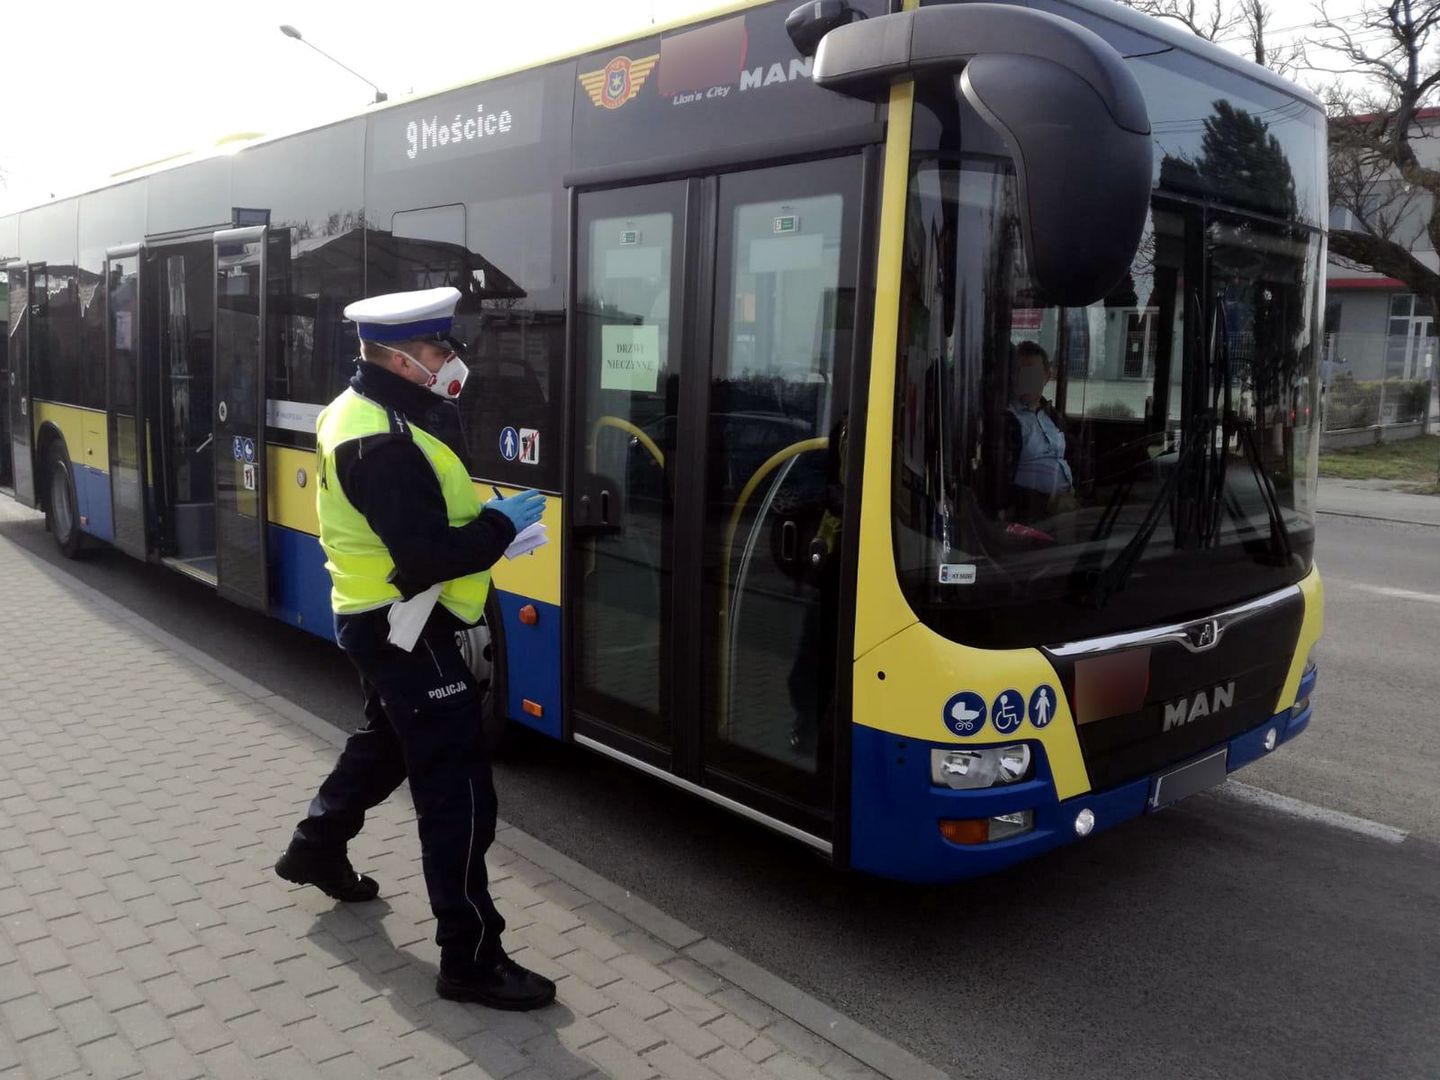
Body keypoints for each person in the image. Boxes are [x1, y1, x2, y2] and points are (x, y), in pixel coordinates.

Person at [273, 286, 555, 1011]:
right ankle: (470, 958)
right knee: (457, 791)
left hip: (390, 618)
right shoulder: (379, 440)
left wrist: (483, 522)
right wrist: (499, 528)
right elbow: (426, 553)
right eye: (439, 349)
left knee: (386, 743)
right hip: (406, 624)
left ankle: (315, 846)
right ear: (400, 357)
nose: (451, 360)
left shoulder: (371, 409)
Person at [1004, 340, 1076, 523]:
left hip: (1068, 500)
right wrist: (1046, 502)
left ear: (1047, 375)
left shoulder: (1051, 417)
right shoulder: (1007, 421)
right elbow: (1000, 482)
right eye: (1019, 373)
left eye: (1032, 374)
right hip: (1035, 513)